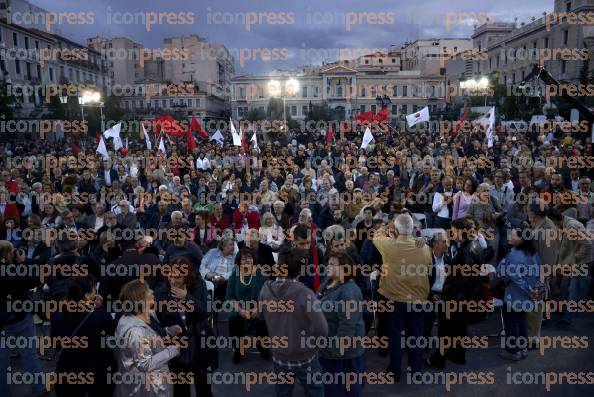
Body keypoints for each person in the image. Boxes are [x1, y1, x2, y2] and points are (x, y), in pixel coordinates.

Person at [258, 249, 328, 397]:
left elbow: (260, 316)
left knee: (283, 393)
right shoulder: (306, 294)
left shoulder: (265, 290)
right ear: (299, 272)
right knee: (315, 392)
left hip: (279, 355)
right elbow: (322, 329)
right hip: (305, 355)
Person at [373, 214, 433, 381]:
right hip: (418, 301)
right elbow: (429, 269)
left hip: (395, 300)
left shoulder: (388, 244)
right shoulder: (424, 248)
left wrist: (388, 226)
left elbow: (376, 234)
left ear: (396, 228)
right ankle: (416, 371)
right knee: (416, 337)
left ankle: (395, 372)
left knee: (395, 337)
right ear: (413, 228)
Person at [154, 257, 217, 397]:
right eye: (170, 275)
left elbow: (206, 310)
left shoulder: (198, 286)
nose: (172, 280)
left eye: (177, 277)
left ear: (186, 277)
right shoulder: (161, 292)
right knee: (181, 390)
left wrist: (187, 297)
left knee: (203, 388)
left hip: (199, 342)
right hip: (177, 347)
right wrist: (166, 330)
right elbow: (156, 321)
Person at [427, 218, 485, 368]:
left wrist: (448, 287)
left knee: (445, 331)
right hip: (465, 297)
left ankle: (438, 360)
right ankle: (458, 355)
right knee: (459, 329)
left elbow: (466, 277)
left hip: (457, 298)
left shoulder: (467, 250)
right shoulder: (474, 245)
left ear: (461, 231)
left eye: (453, 231)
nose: (451, 234)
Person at [51, 275, 118, 397]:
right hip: (97, 370)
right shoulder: (98, 314)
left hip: (68, 370)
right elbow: (112, 329)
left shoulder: (59, 313)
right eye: (94, 289)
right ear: (87, 295)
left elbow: (56, 343)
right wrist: (101, 307)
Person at [114, 279, 181, 397]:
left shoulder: (141, 315)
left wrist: (167, 331)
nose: (152, 291)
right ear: (141, 300)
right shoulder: (135, 331)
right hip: (146, 389)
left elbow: (148, 337)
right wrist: (172, 350)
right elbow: (144, 363)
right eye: (147, 291)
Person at [317, 252, 366, 397]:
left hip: (343, 354)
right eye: (329, 263)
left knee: (346, 389)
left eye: (332, 264)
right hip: (327, 347)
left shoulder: (349, 292)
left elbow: (347, 327)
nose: (328, 267)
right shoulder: (328, 280)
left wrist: (335, 351)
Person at [0, 240, 44, 397]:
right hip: (20, 319)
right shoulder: (14, 271)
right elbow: (36, 279)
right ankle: (38, 389)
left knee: (1, 363)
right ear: (7, 255)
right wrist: (23, 262)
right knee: (30, 356)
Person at [497, 228, 544, 361]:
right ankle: (522, 349)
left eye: (512, 235)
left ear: (521, 238)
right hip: (527, 296)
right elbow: (539, 273)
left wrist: (529, 290)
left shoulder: (514, 254)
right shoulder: (534, 253)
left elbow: (514, 277)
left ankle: (513, 351)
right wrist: (536, 290)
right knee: (521, 321)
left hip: (514, 295)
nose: (509, 237)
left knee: (511, 323)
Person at [549, 208, 593, 328]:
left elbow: (587, 245)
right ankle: (564, 311)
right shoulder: (565, 222)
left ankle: (567, 318)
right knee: (566, 287)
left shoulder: (571, 227)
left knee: (572, 290)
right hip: (576, 261)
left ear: (554, 220)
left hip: (582, 262)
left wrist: (574, 259)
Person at [226, 248, 269, 363]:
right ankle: (238, 349)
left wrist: (258, 308)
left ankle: (263, 346)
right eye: (243, 259)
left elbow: (267, 296)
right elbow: (230, 297)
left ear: (253, 260)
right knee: (234, 320)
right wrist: (240, 310)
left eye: (249, 258)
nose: (247, 261)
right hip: (239, 307)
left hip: (258, 306)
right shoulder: (234, 275)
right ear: (239, 262)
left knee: (263, 318)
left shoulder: (261, 274)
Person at [199, 236, 236, 303]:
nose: (233, 247)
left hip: (225, 282)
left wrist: (223, 277)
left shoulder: (235, 257)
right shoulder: (212, 252)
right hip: (209, 279)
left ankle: (218, 307)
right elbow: (202, 265)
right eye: (231, 245)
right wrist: (207, 274)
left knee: (224, 286)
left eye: (233, 244)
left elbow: (234, 271)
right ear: (223, 246)